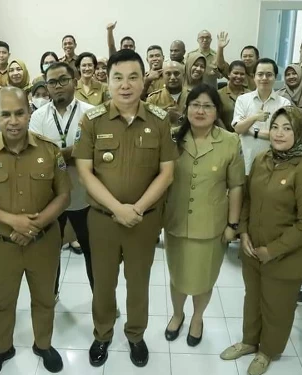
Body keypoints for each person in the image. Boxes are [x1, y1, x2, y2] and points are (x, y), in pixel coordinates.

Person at [73, 49, 178, 367]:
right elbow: (84, 171)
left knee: (138, 282)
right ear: (109, 81)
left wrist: (138, 209)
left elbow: (167, 172)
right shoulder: (92, 119)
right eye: (118, 77)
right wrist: (117, 208)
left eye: (133, 77)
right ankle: (102, 334)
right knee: (103, 283)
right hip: (103, 219)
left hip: (143, 221)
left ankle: (135, 335)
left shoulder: (159, 120)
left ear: (143, 80)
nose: (125, 84)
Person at [0, 87, 71, 375]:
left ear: (29, 113)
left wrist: (32, 225)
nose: (13, 121)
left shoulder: (49, 150)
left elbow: (63, 196)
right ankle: (2, 348)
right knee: (3, 300)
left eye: (19, 113)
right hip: (2, 244)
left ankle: (43, 344)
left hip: (43, 241)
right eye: (5, 114)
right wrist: (14, 222)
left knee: (44, 297)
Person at [220, 106, 302, 375]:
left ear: (299, 132)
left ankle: (268, 350)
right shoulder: (262, 159)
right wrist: (243, 232)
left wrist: (274, 249)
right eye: (276, 127)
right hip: (253, 248)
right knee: (252, 298)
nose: (279, 134)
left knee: (276, 306)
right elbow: (247, 198)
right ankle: (249, 341)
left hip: (285, 255)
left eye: (287, 128)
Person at [164, 84, 244, 347]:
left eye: (207, 106)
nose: (200, 110)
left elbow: (236, 186)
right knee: (177, 275)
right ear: (186, 109)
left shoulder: (230, 141)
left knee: (204, 277)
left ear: (216, 111)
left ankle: (197, 317)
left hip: (211, 226)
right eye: (195, 105)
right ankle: (177, 315)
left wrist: (233, 224)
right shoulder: (172, 138)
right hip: (175, 222)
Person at [29, 62, 95, 297]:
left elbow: (91, 155)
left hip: (84, 197)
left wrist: (55, 153)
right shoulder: (38, 117)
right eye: (52, 82)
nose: (58, 86)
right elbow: (38, 159)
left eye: (63, 80)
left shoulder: (91, 113)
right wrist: (73, 152)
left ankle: (101, 299)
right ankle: (51, 294)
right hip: (50, 198)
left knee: (92, 251)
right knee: (50, 251)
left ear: (75, 80)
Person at [233, 58, 292, 174]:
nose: (264, 78)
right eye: (260, 74)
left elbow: (280, 135)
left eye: (269, 75)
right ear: (253, 76)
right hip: (246, 160)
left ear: (275, 77)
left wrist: (251, 131)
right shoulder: (242, 100)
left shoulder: (284, 104)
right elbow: (238, 128)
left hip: (274, 161)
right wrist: (255, 117)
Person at [218, 60, 250, 132]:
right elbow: (216, 118)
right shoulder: (218, 94)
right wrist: (228, 136)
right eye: (235, 73)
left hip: (245, 136)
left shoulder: (250, 95)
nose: (239, 76)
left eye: (242, 74)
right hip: (224, 136)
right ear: (229, 74)